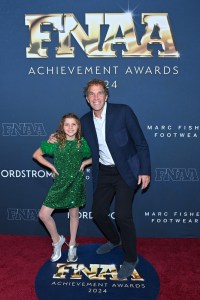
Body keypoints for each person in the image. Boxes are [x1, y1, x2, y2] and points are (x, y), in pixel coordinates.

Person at [80, 79, 151, 280]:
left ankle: (131, 258)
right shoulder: (84, 121)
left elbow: (141, 143)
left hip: (126, 172)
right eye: (91, 94)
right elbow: (71, 139)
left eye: (99, 93)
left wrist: (145, 170)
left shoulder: (123, 112)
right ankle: (114, 239)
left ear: (106, 95)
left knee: (122, 216)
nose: (96, 97)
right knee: (98, 213)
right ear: (87, 99)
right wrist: (54, 140)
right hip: (103, 172)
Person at [33, 113, 92, 263]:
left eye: (74, 124)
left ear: (78, 126)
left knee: (74, 214)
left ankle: (72, 244)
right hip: (59, 183)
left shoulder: (82, 143)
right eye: (67, 124)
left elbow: (98, 155)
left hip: (76, 183)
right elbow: (37, 155)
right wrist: (51, 166)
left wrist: (85, 163)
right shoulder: (56, 141)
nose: (70, 127)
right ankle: (57, 241)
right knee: (43, 215)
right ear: (62, 127)